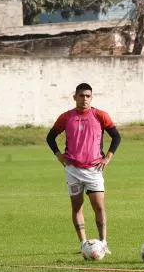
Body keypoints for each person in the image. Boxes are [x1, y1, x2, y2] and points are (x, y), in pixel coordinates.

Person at [46, 83, 122, 254]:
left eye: (88, 96)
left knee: (99, 207)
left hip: (94, 169)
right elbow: (50, 137)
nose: (84, 99)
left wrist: (108, 157)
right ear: (75, 97)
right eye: (81, 96)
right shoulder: (66, 117)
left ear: (91, 97)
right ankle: (83, 243)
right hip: (72, 169)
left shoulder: (100, 115)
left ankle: (103, 243)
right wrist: (59, 155)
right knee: (76, 206)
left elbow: (116, 136)